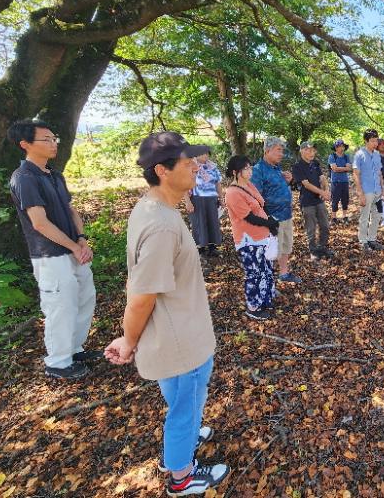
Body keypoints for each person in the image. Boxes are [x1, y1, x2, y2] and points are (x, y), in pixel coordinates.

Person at [104, 132, 229, 496]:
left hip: (180, 332)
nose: (195, 165)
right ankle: (182, 475)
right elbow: (141, 295)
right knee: (183, 408)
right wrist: (128, 340)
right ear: (162, 170)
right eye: (186, 162)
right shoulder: (160, 224)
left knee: (186, 400)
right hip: (179, 342)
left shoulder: (156, 210)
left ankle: (186, 438)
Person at [7, 119, 100, 380]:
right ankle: (58, 362)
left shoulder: (55, 175)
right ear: (25, 145)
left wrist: (81, 239)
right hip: (50, 254)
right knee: (60, 305)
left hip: (73, 250)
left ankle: (73, 349)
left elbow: (71, 211)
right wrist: (72, 246)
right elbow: (39, 222)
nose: (53, 144)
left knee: (84, 297)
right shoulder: (24, 178)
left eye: (53, 138)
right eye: (46, 139)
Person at [225, 155, 278, 321]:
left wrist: (271, 221)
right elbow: (248, 217)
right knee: (254, 273)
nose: (249, 171)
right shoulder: (232, 192)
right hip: (248, 239)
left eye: (250, 167)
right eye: (245, 168)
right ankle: (253, 307)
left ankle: (265, 300)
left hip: (262, 235)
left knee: (266, 269)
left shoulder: (249, 185)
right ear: (235, 172)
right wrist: (269, 223)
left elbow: (261, 205)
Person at [251, 137, 301, 283]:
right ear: (267, 151)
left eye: (282, 150)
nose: (282, 154)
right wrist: (265, 219)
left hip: (285, 214)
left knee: (285, 246)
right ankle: (267, 281)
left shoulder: (277, 168)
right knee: (270, 250)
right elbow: (255, 197)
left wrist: (288, 181)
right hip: (271, 217)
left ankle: (284, 274)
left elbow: (277, 188)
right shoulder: (258, 170)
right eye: (278, 150)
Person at [292, 141, 334, 261]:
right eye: (309, 150)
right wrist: (322, 193)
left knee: (325, 225)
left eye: (313, 150)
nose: (312, 153)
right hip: (307, 202)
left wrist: (326, 190)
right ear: (302, 151)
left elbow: (322, 178)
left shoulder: (315, 163)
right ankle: (313, 251)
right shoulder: (297, 166)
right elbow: (306, 184)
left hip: (319, 201)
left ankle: (322, 247)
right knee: (311, 228)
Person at [185, 150, 223, 259]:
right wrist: (187, 201)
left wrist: (221, 198)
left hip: (211, 198)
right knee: (199, 222)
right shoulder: (191, 167)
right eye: (203, 153)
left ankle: (212, 247)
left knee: (212, 222)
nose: (206, 156)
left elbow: (218, 183)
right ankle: (200, 248)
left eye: (207, 153)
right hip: (197, 198)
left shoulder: (213, 167)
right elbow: (185, 185)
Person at [353, 128, 384, 251]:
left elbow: (379, 172)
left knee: (377, 216)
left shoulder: (377, 154)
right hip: (366, 191)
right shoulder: (359, 155)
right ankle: (363, 241)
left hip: (377, 191)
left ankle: (372, 239)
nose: (375, 143)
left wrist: (383, 189)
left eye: (376, 141)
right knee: (365, 217)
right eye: (372, 141)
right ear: (366, 141)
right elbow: (356, 174)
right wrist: (360, 193)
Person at [328, 139, 352, 225]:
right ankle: (334, 218)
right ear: (336, 148)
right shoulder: (332, 156)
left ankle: (344, 216)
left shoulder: (346, 156)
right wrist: (344, 168)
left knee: (345, 199)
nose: (341, 148)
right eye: (339, 146)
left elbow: (349, 168)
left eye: (342, 146)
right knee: (335, 199)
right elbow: (334, 168)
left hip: (345, 181)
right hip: (335, 181)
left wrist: (339, 168)